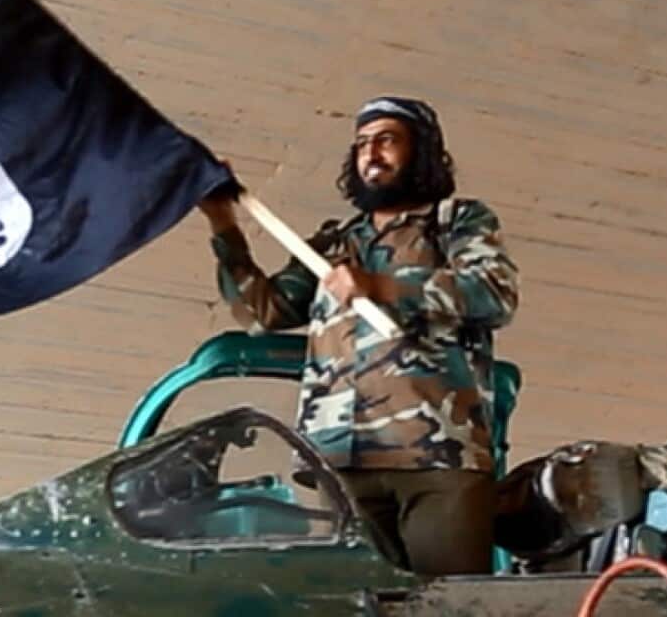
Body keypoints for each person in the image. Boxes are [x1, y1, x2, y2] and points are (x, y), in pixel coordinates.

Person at [198, 96, 519, 575]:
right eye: (363, 143)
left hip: (435, 457)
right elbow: (262, 312)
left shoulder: (455, 221)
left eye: (387, 140)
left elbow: (494, 293)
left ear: (422, 151)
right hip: (338, 463)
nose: (371, 153)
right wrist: (223, 223)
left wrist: (384, 286)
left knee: (447, 604)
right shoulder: (333, 243)